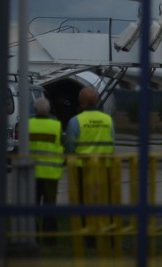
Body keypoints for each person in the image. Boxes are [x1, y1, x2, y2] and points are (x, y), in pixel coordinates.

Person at [29, 98, 64, 245]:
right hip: (51, 173)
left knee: (32, 207)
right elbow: (62, 145)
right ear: (49, 111)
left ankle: (32, 237)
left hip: (32, 173)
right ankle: (50, 239)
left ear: (35, 110)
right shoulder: (56, 126)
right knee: (50, 207)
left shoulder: (28, 125)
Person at [66, 87, 115, 159]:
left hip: (83, 165)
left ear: (80, 101)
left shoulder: (75, 121)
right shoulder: (108, 120)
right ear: (97, 101)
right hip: (104, 165)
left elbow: (70, 147)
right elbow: (112, 143)